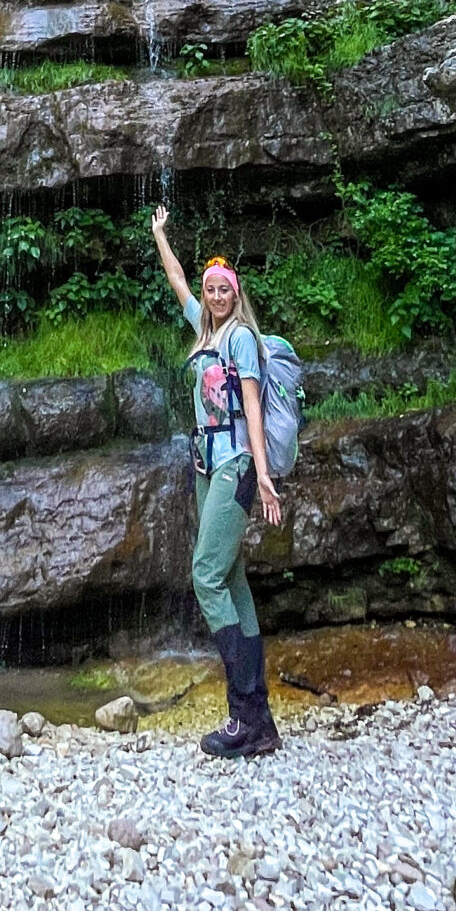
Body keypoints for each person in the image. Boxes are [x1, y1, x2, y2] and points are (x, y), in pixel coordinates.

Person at [151, 204, 282, 758]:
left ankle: (242, 713)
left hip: (236, 467)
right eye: (210, 288)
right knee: (232, 582)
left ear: (236, 293)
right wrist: (161, 234)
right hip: (207, 468)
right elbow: (175, 277)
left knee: (206, 576)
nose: (215, 295)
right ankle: (263, 724)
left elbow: (251, 408)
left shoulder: (241, 340)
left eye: (224, 289)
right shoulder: (203, 331)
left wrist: (265, 476)